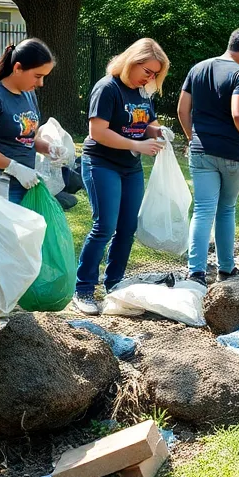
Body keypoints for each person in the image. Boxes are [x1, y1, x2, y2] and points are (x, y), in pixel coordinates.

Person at [73, 39, 172, 315]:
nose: (150, 78)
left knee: (127, 228)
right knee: (104, 226)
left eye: (155, 74)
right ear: (132, 61)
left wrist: (158, 132)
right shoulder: (107, 88)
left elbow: (148, 122)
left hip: (130, 167)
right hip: (101, 163)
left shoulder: (142, 91)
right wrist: (136, 145)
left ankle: (114, 283)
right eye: (148, 71)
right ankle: (82, 288)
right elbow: (97, 132)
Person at [178, 28, 239, 286]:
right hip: (232, 153)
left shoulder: (198, 69)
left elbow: (183, 109)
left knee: (203, 210)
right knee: (226, 209)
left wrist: (191, 137)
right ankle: (226, 269)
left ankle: (195, 272)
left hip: (201, 150)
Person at [0, 39, 64, 204]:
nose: (40, 83)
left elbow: (27, 138)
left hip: (26, 183)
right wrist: (14, 167)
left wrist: (49, 148)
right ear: (17, 68)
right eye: (37, 76)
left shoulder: (28, 94)